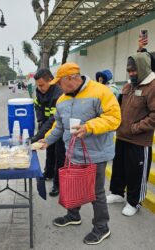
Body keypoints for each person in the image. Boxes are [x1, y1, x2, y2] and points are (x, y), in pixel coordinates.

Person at [40, 62, 121, 245]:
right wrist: (46, 140)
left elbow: (114, 118)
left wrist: (90, 127)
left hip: (96, 153)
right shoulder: (62, 100)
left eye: (60, 83)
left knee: (95, 192)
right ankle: (73, 215)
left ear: (71, 78)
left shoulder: (100, 92)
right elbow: (58, 126)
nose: (59, 87)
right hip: (73, 152)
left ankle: (102, 227)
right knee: (72, 185)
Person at [107, 52, 155, 216]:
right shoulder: (128, 86)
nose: (131, 73)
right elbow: (118, 107)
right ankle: (117, 193)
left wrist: (136, 128)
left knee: (136, 173)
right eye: (129, 70)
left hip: (139, 141)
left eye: (134, 70)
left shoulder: (152, 86)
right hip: (121, 136)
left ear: (143, 68)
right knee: (118, 168)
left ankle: (134, 202)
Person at [31, 69, 65, 196]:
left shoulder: (59, 94)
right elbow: (37, 105)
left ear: (50, 81)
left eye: (41, 85)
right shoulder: (40, 91)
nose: (39, 88)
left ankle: (58, 184)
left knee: (59, 155)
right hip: (45, 124)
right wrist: (39, 120)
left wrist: (37, 136)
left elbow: (53, 120)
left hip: (58, 127)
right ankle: (48, 173)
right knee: (49, 151)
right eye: (38, 85)